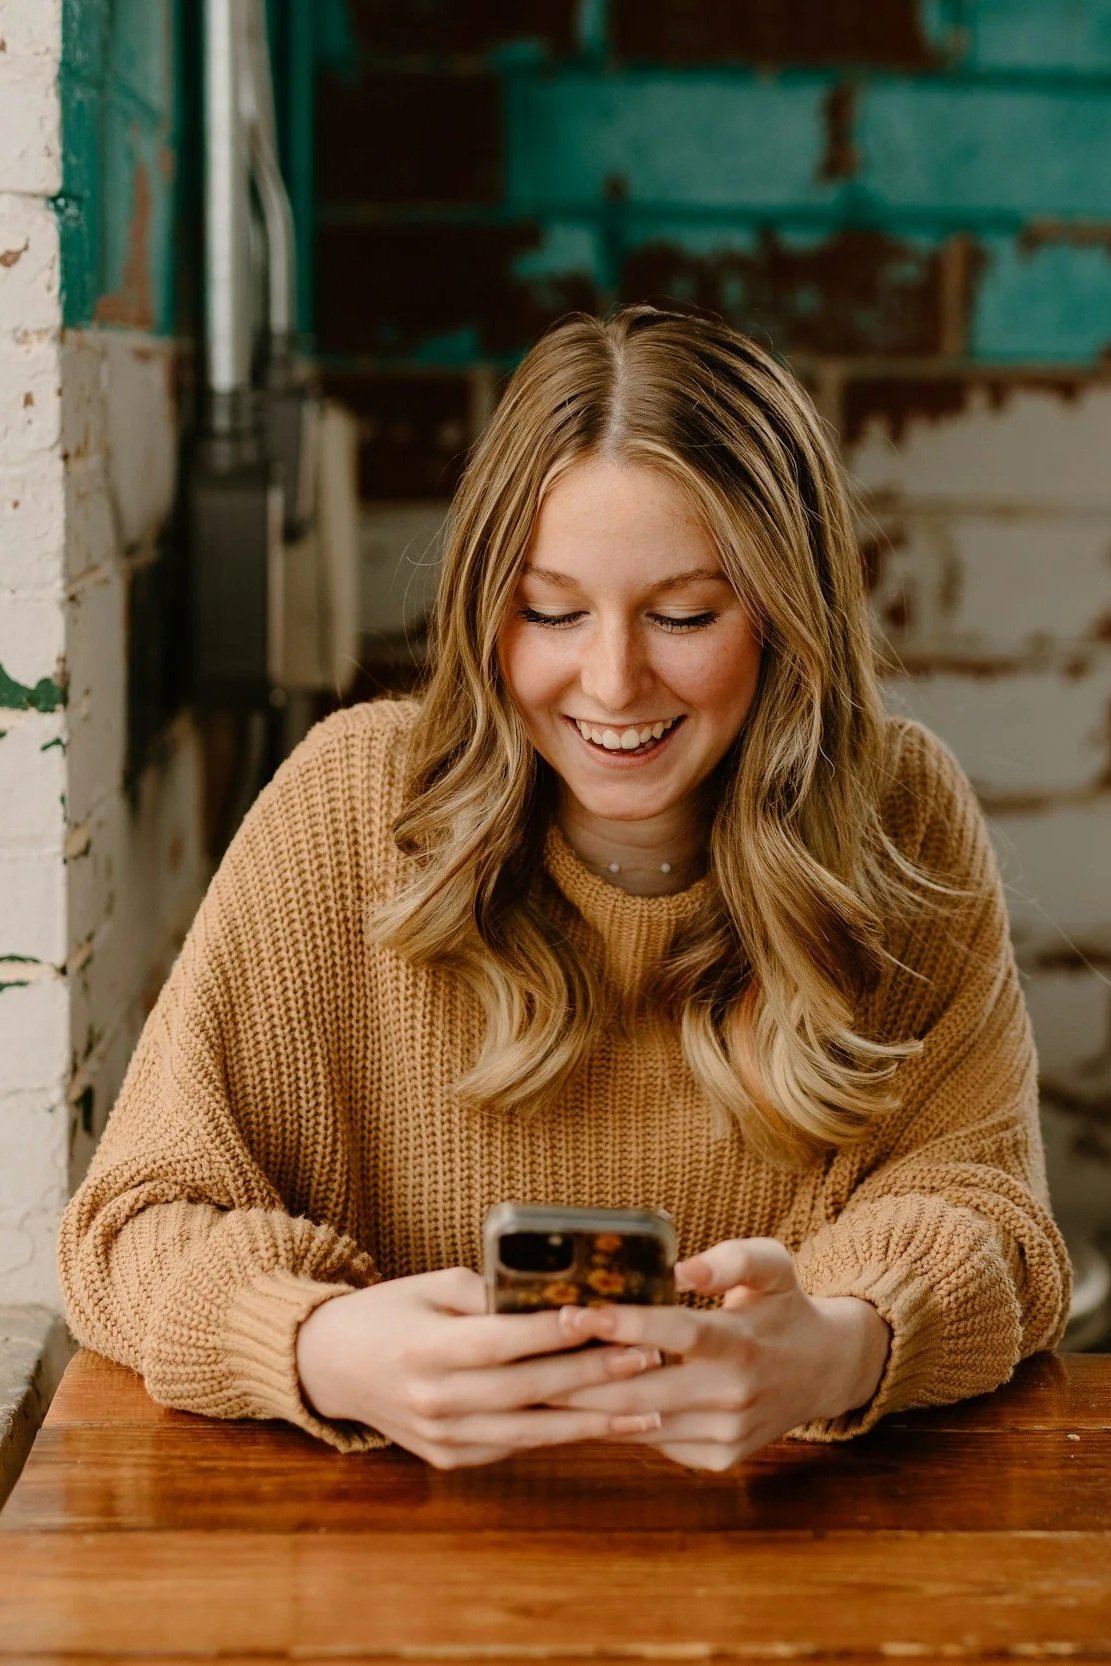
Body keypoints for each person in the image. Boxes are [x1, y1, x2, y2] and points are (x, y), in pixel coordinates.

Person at [57, 305, 1070, 1473]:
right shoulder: (344, 806)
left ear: (789, 621)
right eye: (550, 611)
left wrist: (837, 1350)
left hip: (779, 1567)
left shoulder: (901, 814)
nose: (611, 680)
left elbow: (996, 1224)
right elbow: (129, 1227)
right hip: (384, 1578)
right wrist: (321, 1346)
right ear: (487, 607)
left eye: (685, 615)